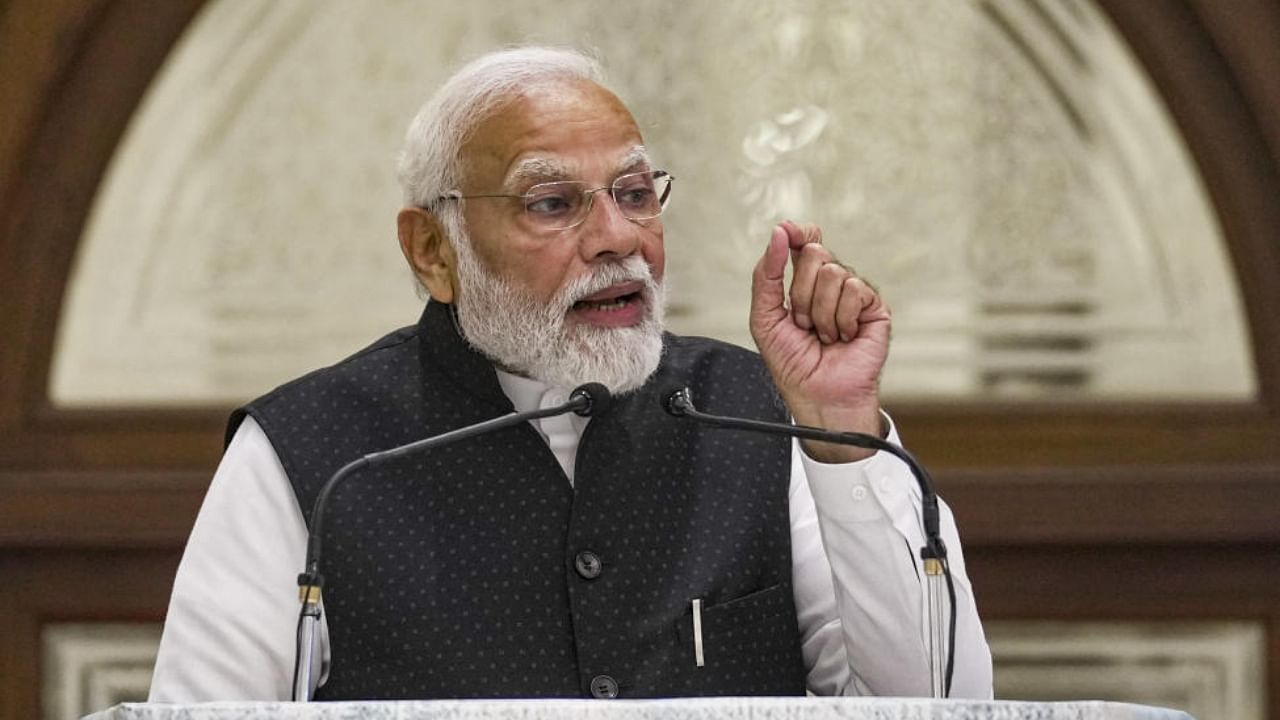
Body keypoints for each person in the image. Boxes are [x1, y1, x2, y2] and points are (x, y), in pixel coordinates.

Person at [149, 46, 992, 702]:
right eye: (552, 203)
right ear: (433, 250)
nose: (617, 237)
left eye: (634, 192)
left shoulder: (762, 411)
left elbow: (940, 703)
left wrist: (840, 429)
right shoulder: (313, 455)